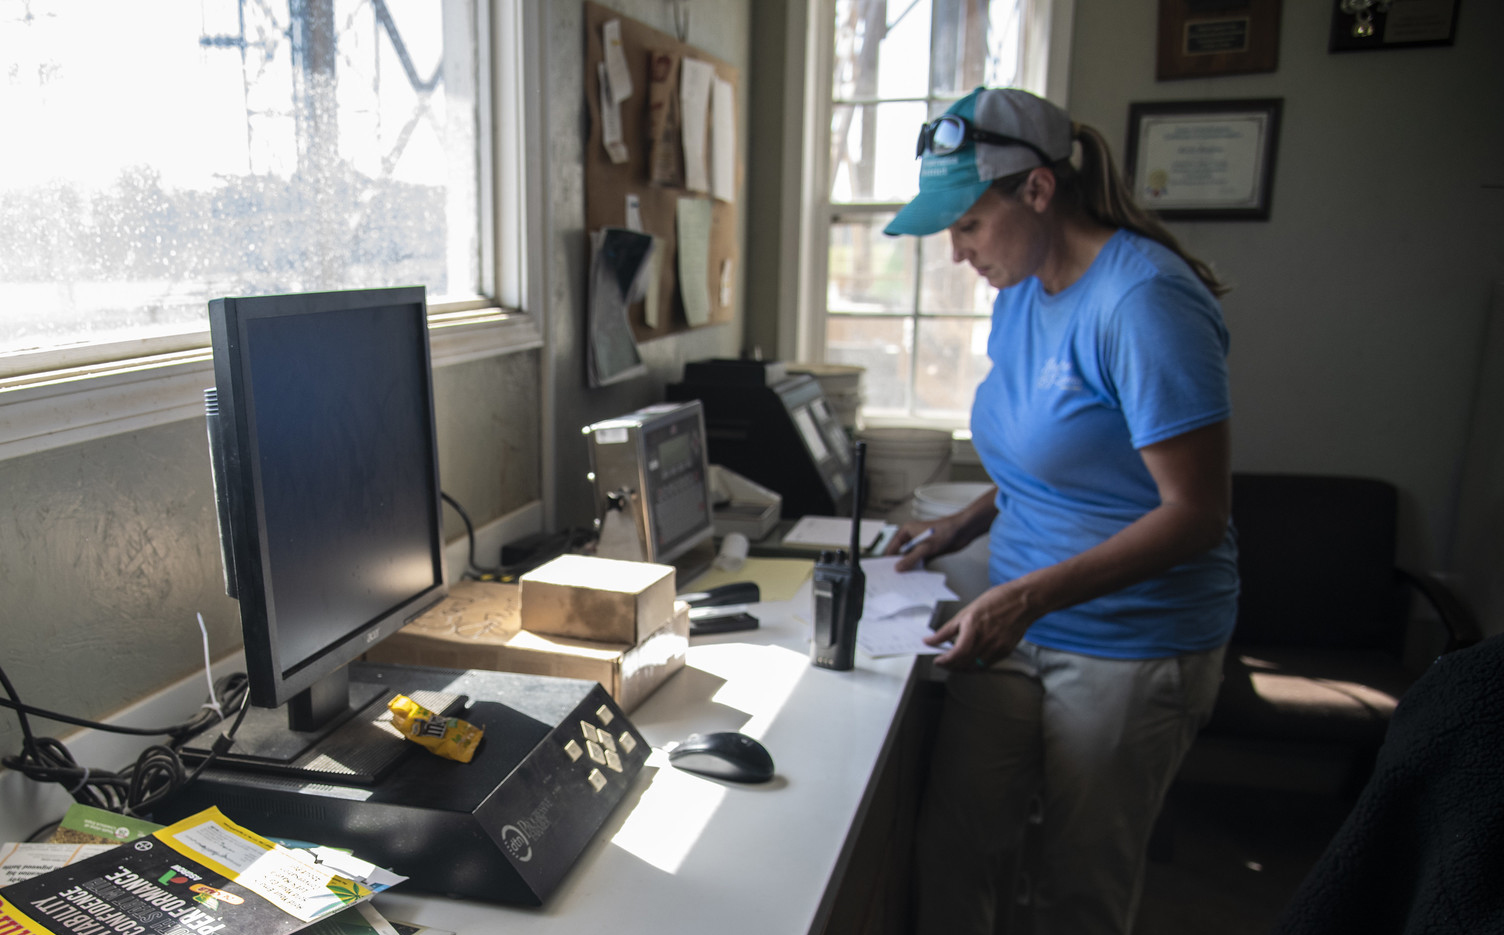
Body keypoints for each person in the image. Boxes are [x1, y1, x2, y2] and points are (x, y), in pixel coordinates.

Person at [881, 87, 1239, 935]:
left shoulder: (1144, 301)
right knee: (957, 851)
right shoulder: (1024, 292)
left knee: (1078, 889)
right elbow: (1054, 454)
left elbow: (1196, 513)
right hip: (1015, 629)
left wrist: (1030, 595)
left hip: (1130, 644)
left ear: (1037, 191)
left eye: (968, 224)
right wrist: (965, 523)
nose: (959, 252)